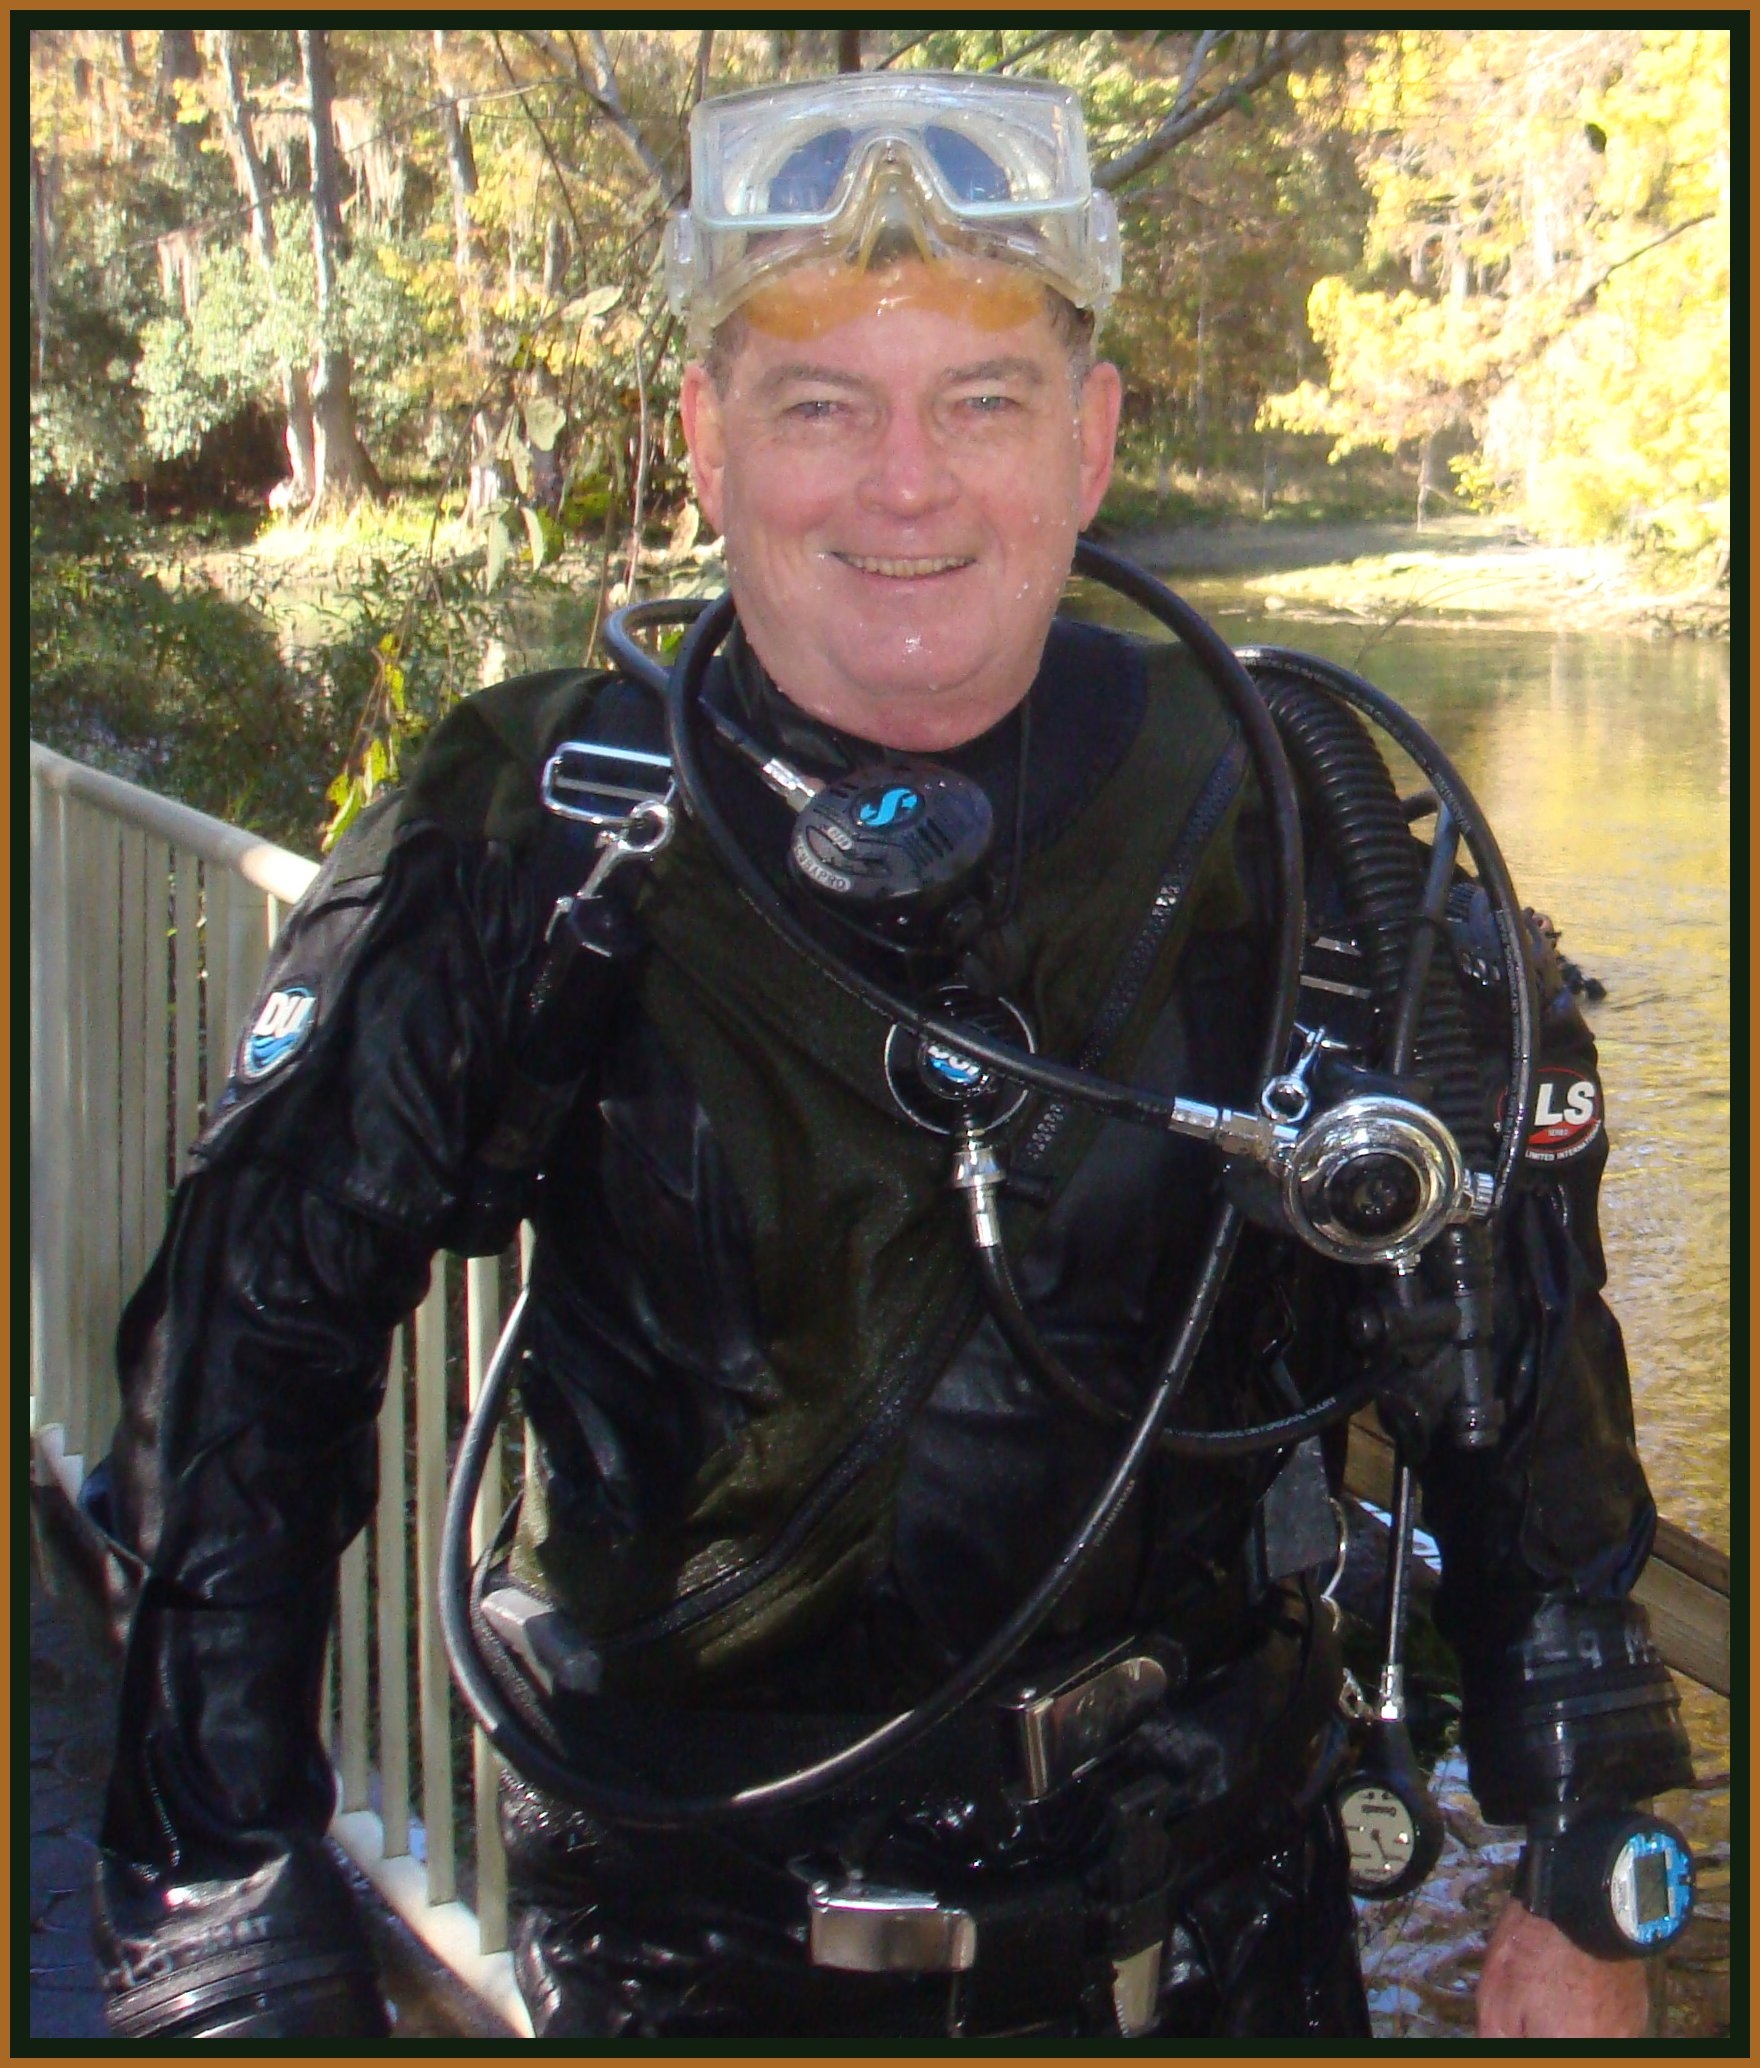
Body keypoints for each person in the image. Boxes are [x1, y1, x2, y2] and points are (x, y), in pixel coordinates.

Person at [87, 70, 1691, 2042]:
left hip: (1201, 1931)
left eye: (982, 402)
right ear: (706, 442)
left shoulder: (1291, 820)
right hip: (688, 1949)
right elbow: (253, 1349)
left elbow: (1516, 1340)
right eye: (820, 405)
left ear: (1090, 440)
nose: (903, 485)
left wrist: (1587, 1842)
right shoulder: (534, 823)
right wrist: (215, 1892)